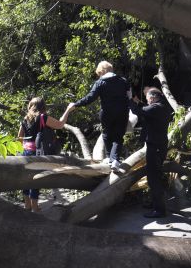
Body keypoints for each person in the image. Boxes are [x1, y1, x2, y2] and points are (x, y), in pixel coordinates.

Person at [61, 61, 131, 172]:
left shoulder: (100, 83)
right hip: (122, 113)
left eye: (99, 73)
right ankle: (115, 160)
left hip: (107, 113)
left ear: (102, 71)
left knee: (107, 134)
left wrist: (76, 105)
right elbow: (129, 96)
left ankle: (110, 158)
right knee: (118, 137)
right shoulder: (123, 81)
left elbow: (90, 97)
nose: (99, 75)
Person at [129, 87, 173, 218]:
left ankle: (159, 210)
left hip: (155, 147)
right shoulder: (162, 106)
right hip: (159, 145)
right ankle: (155, 203)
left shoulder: (155, 108)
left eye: (148, 99)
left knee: (153, 178)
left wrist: (130, 100)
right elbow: (146, 109)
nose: (147, 101)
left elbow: (139, 111)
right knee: (155, 176)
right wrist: (139, 102)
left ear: (153, 98)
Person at [17, 96, 65, 213]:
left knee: (27, 178)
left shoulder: (25, 119)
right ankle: (35, 207)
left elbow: (19, 138)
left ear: (30, 106)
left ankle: (27, 205)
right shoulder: (43, 117)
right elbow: (60, 125)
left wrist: (22, 150)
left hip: (25, 152)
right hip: (38, 152)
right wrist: (68, 110)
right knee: (36, 179)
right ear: (43, 107)